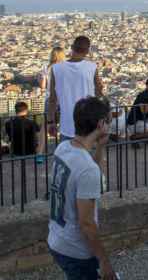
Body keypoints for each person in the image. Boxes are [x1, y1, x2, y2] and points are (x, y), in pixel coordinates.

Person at [47, 97, 118, 280]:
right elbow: (86, 223)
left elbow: (89, 173)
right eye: (108, 121)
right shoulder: (87, 169)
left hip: (57, 237)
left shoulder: (63, 148)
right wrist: (104, 261)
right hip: (76, 249)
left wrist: (100, 148)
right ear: (101, 124)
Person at [48, 36, 104, 141]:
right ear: (87, 51)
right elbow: (99, 94)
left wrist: (51, 122)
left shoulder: (56, 69)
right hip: (89, 124)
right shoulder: (92, 68)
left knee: (66, 156)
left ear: (72, 47)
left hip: (66, 125)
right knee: (87, 156)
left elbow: (52, 99)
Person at [38, 47, 65, 156]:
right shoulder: (66, 67)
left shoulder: (46, 67)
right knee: (64, 124)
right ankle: (64, 152)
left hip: (49, 99)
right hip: (63, 99)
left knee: (45, 126)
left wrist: (41, 79)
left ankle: (39, 153)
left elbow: (43, 86)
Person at [126, 76, 148, 141]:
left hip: (143, 120)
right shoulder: (143, 96)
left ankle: (147, 136)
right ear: (147, 86)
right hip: (135, 122)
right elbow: (144, 110)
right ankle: (135, 137)